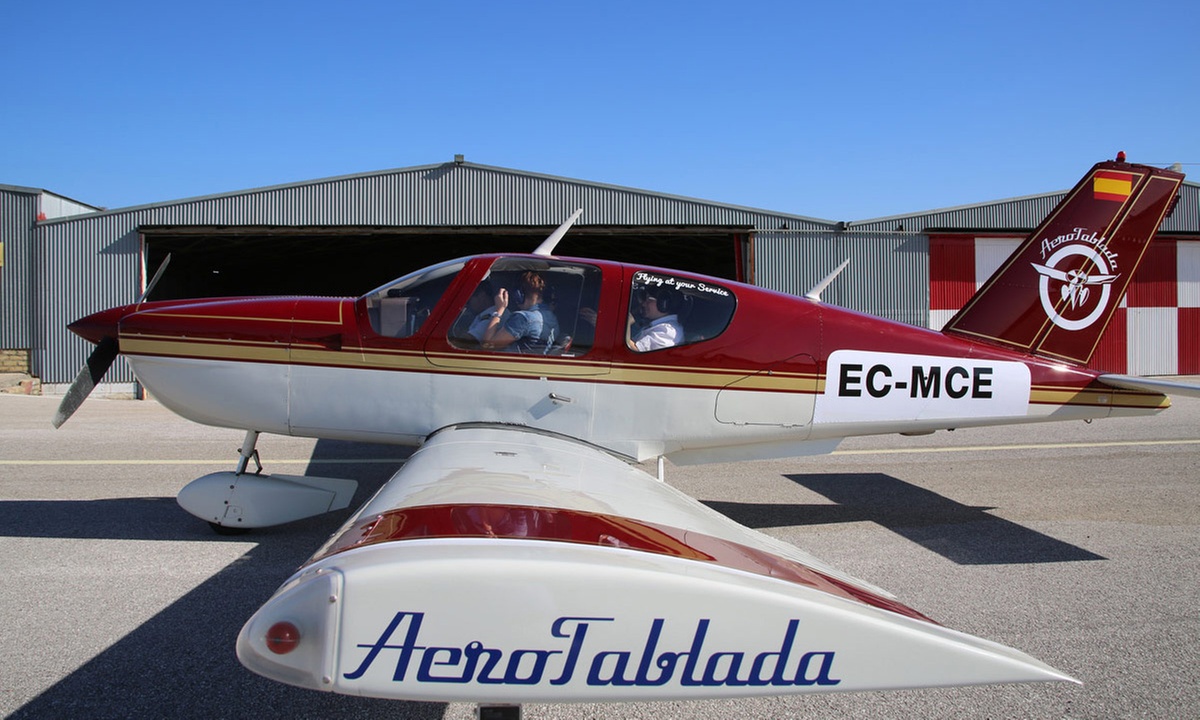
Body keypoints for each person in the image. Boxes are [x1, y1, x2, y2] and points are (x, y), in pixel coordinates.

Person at [481, 271, 560, 353]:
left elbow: (488, 346)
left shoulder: (523, 318)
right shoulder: (552, 318)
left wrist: (499, 310)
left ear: (518, 294)